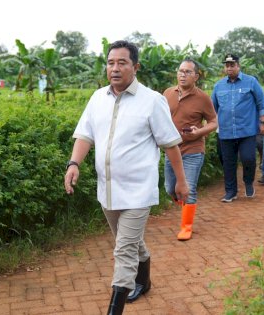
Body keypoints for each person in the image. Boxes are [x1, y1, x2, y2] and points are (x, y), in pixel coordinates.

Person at [64, 40, 189, 314]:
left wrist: (181, 180)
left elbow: (170, 144)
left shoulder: (152, 101)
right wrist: (74, 163)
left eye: (122, 63)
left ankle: (115, 306)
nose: (115, 68)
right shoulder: (98, 98)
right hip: (107, 190)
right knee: (128, 241)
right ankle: (144, 279)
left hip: (138, 191)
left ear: (136, 67)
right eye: (110, 63)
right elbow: (85, 135)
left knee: (123, 250)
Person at [163, 59, 218, 241]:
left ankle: (186, 227)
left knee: (189, 188)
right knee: (171, 188)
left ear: (196, 76)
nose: (182, 74)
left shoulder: (203, 98)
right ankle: (186, 205)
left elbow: (214, 122)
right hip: (172, 150)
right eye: (180, 71)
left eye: (187, 72)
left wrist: (199, 132)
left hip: (193, 149)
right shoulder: (167, 93)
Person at [212, 54, 264, 202]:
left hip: (247, 130)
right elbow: (212, 109)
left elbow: (261, 102)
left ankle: (248, 182)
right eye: (227, 65)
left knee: (248, 158)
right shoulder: (218, 86)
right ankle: (231, 192)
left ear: (238, 66)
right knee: (228, 162)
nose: (229, 68)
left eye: (232, 65)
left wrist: (263, 122)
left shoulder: (251, 82)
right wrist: (207, 125)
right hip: (226, 131)